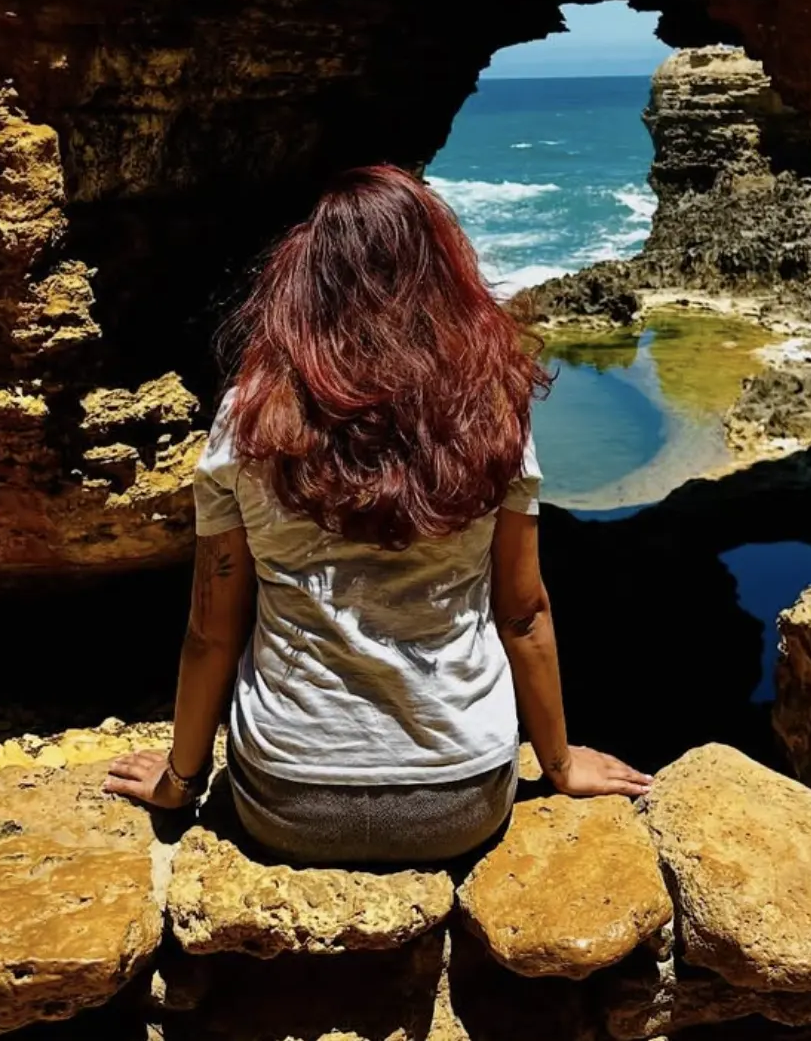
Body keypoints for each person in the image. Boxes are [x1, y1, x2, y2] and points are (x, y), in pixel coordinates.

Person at [103, 162, 649, 862]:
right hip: (463, 797)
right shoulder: (488, 410)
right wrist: (561, 762)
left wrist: (180, 779)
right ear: (442, 276)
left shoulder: (249, 418)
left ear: (306, 277)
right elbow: (523, 612)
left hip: (286, 799)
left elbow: (213, 629)